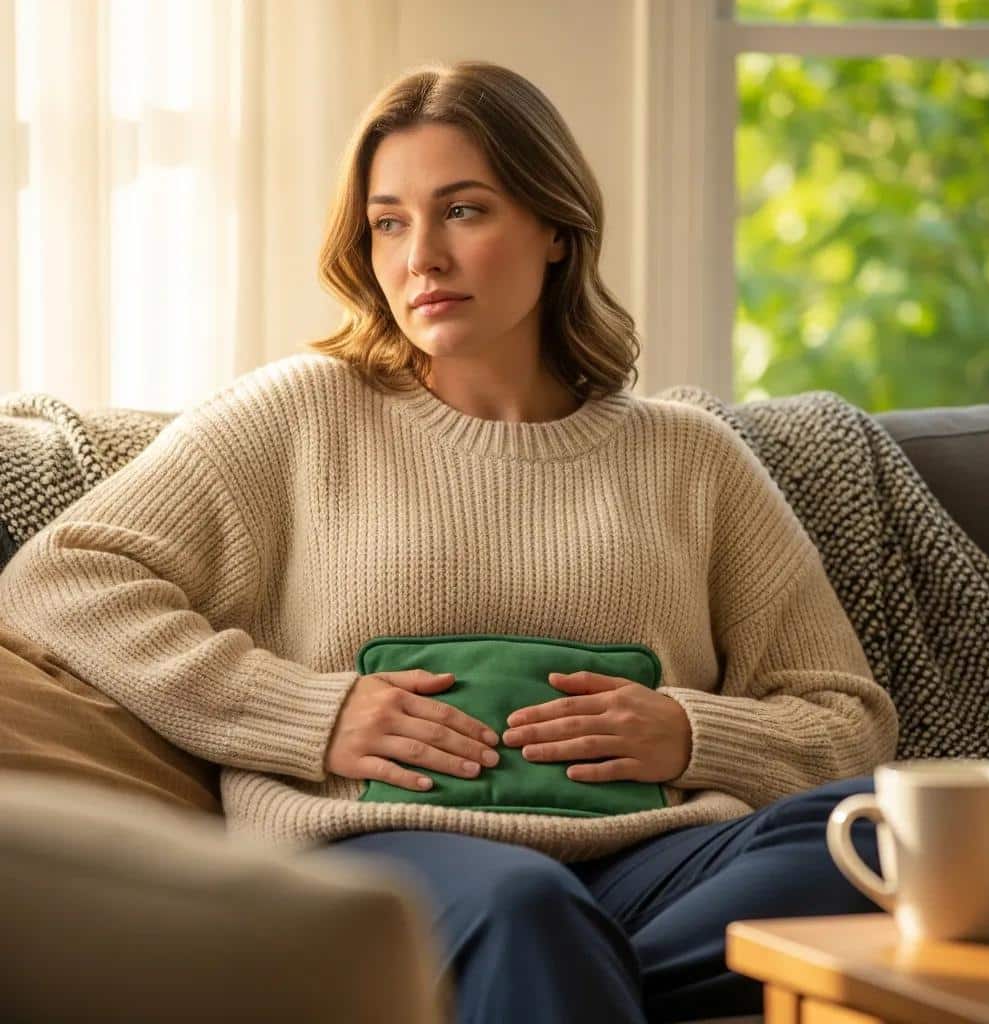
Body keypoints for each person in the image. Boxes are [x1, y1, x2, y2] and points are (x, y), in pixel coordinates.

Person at [0, 61, 898, 1024]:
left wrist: (690, 734)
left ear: (556, 228)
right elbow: (61, 576)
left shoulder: (692, 455)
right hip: (387, 853)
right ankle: (535, 964)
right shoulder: (298, 414)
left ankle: (540, 979)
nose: (421, 256)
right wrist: (308, 714)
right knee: (526, 906)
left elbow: (845, 716)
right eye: (389, 222)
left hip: (652, 862)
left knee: (879, 837)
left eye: (463, 211)